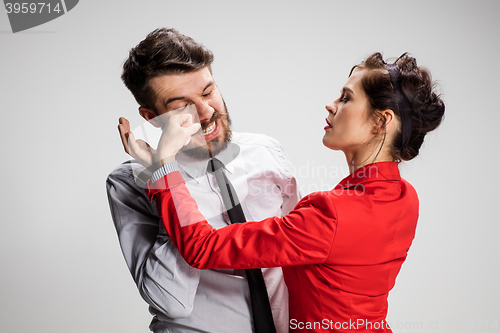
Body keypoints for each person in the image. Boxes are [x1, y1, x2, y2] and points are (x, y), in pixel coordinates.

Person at [121, 52, 445, 332]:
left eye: (346, 98)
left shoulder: (331, 214)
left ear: (380, 122)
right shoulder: (405, 197)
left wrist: (163, 169)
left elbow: (203, 248)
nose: (331, 105)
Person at [107, 28, 300, 333]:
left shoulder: (266, 152)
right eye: (182, 106)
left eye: (208, 92)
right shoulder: (129, 183)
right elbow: (170, 301)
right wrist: (164, 174)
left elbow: (299, 257)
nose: (206, 112)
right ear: (151, 117)